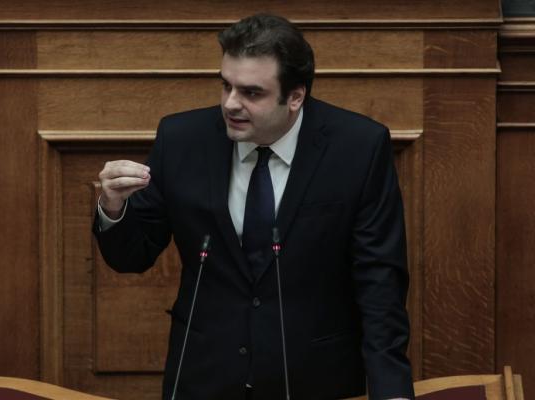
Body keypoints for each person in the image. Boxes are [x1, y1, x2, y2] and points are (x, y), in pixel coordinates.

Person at [94, 13, 414, 400]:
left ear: (295, 97)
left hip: (315, 378)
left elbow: (380, 281)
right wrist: (113, 208)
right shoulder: (182, 140)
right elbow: (132, 255)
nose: (231, 104)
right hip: (205, 377)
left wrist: (391, 390)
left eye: (251, 93)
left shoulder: (358, 148)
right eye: (226, 85)